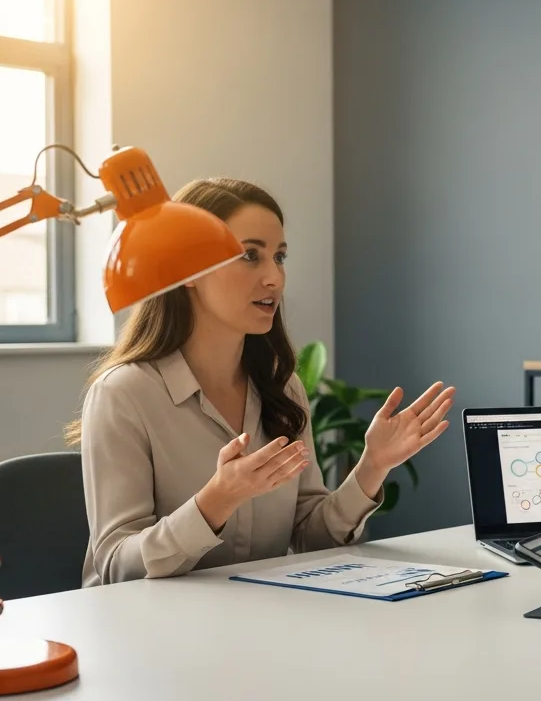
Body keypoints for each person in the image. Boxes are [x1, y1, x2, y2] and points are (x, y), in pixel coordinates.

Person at [66, 178, 455, 586]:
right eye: (250, 255)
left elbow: (311, 539)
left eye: (280, 257)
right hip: (148, 622)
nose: (275, 278)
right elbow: (117, 566)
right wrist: (216, 500)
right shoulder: (123, 394)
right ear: (188, 271)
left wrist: (372, 466)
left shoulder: (282, 388)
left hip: (258, 615)